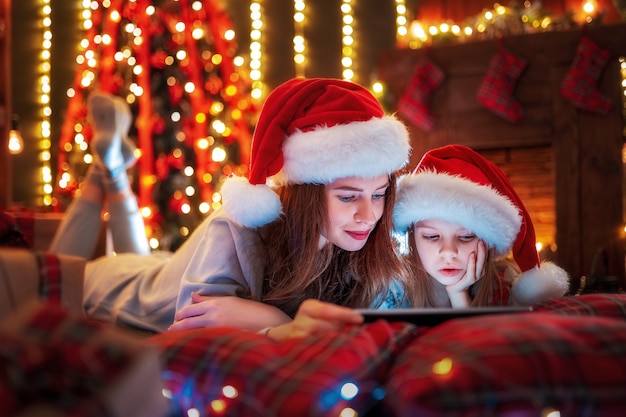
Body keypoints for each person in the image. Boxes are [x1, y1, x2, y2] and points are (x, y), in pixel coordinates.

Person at [49, 78, 413, 340]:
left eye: (379, 194)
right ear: (306, 193)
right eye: (348, 197)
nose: (369, 215)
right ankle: (108, 170)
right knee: (48, 269)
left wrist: (271, 320)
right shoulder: (236, 229)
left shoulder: (365, 244)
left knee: (154, 264)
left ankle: (109, 168)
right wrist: (279, 328)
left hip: (163, 267)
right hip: (113, 287)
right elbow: (192, 330)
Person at [393, 144, 570, 308]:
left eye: (466, 237)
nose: (449, 251)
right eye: (431, 236)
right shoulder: (393, 289)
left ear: (487, 240)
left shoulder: (505, 286)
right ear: (411, 237)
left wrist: (459, 295)